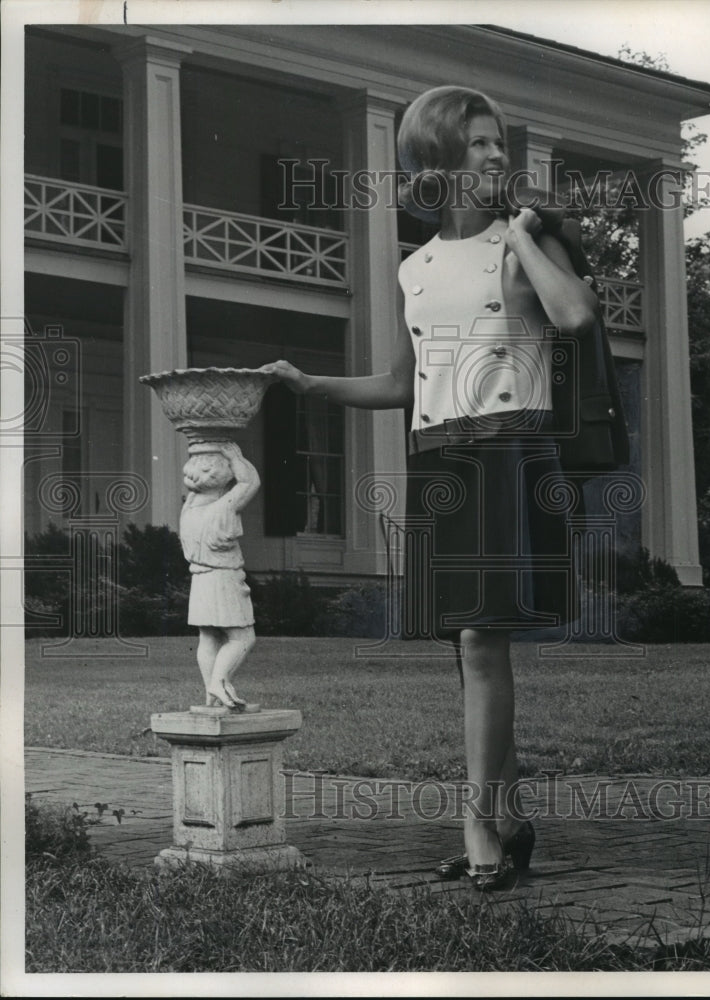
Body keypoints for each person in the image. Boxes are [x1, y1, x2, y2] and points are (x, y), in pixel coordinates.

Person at [261, 85, 600, 890]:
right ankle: (511, 821)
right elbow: (402, 382)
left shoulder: (521, 243)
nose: (496, 156)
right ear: (437, 159)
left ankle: (479, 824)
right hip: (439, 459)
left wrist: (524, 236)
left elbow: (578, 317)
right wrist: (311, 385)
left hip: (511, 454)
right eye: (479, 144)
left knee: (483, 642)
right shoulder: (413, 267)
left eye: (497, 143)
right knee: (469, 650)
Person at [180, 440, 260, 710]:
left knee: (209, 637)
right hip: (223, 579)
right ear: (221, 478)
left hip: (199, 579)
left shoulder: (188, 509)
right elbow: (250, 483)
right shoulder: (223, 508)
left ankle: (211, 694)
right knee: (242, 638)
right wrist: (234, 457)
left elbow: (197, 489)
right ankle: (219, 681)